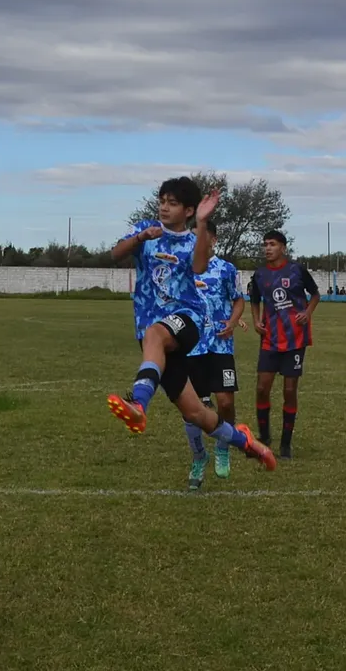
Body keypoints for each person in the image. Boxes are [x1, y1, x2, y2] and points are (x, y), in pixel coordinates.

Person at [106, 177, 275, 475]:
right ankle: (248, 444)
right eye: (162, 201)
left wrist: (201, 223)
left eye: (172, 203)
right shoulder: (146, 230)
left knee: (156, 333)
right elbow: (116, 254)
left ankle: (139, 404)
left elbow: (198, 267)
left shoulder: (191, 240)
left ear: (187, 210)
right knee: (196, 412)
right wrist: (141, 237)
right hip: (152, 336)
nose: (164, 208)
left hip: (187, 318)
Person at [184, 220, 248, 487]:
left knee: (225, 403)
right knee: (194, 409)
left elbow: (238, 299)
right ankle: (199, 458)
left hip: (221, 346)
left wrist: (233, 322)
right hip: (191, 346)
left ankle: (223, 445)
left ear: (214, 240)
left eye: (203, 237)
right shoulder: (183, 269)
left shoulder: (226, 269)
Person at [248, 230, 321, 459]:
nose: (267, 248)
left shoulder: (297, 270)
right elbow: (254, 299)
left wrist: (307, 313)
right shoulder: (260, 275)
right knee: (262, 388)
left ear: (283, 247)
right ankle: (264, 436)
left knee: (290, 391)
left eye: (272, 244)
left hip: (294, 340)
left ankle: (286, 444)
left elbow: (316, 294)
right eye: (265, 244)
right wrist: (256, 320)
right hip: (269, 339)